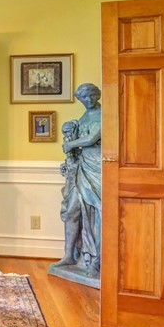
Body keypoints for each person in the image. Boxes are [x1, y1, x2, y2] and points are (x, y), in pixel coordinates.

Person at [56, 83, 102, 277]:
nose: (88, 100)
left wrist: (71, 144)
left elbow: (92, 138)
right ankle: (69, 255)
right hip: (81, 167)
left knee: (95, 213)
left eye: (91, 95)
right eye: (83, 98)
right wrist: (70, 129)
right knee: (72, 210)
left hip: (97, 166)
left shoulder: (105, 114)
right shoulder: (85, 115)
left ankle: (94, 259)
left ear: (97, 94)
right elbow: (80, 136)